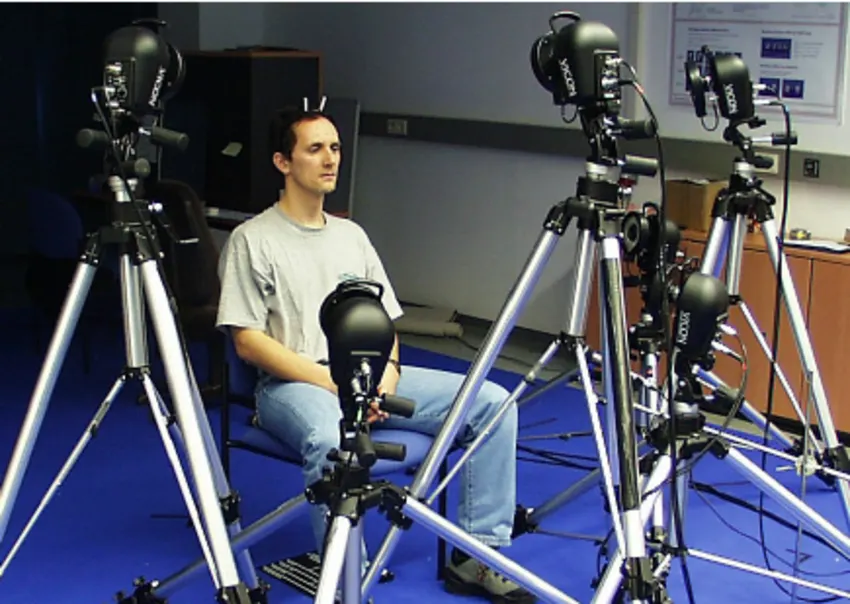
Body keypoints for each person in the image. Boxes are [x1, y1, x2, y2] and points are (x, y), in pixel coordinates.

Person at [216, 104, 535, 604]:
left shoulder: (352, 236)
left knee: (492, 403)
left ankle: (477, 555)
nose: (330, 159)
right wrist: (336, 385)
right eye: (315, 149)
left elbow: (384, 322)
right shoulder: (252, 240)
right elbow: (248, 341)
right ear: (283, 162)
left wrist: (386, 376)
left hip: (366, 375)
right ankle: (348, 579)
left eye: (335, 148)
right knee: (332, 440)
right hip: (292, 384)